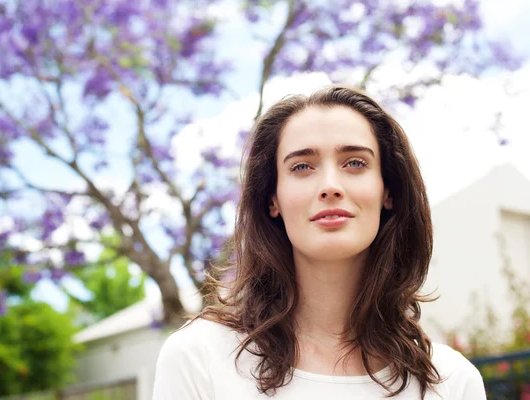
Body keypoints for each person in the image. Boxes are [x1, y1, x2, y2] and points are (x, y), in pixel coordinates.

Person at [152, 86, 486, 399]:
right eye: (301, 166)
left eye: (355, 162)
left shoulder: (452, 383)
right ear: (273, 199)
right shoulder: (199, 358)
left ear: (388, 191)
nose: (330, 185)